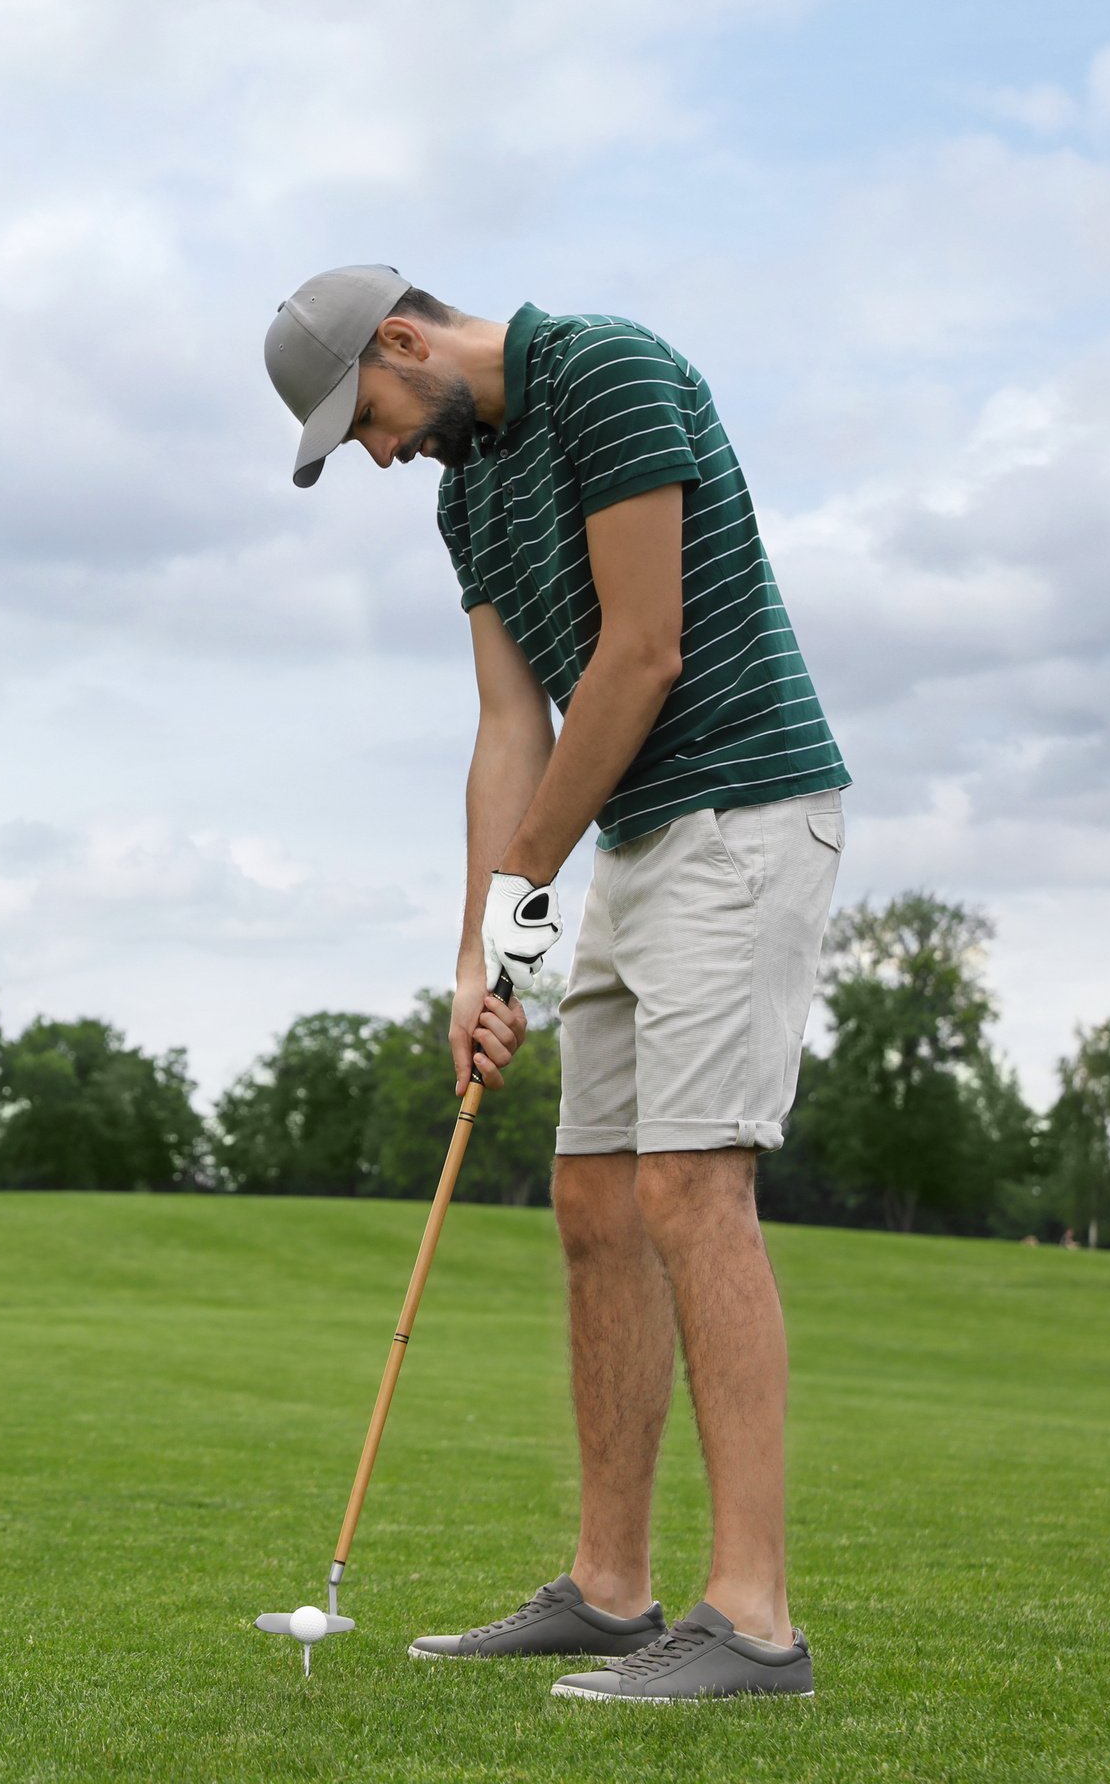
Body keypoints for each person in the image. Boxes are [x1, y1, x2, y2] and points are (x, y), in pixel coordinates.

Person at [263, 266, 851, 1702]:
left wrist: (529, 883)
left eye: (373, 420)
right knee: (594, 1197)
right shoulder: (473, 496)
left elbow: (639, 659)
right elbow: (510, 724)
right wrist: (478, 953)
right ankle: (609, 1591)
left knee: (691, 1189)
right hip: (637, 842)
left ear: (406, 341)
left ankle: (754, 1619)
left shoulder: (609, 372)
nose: (385, 454)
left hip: (743, 816)